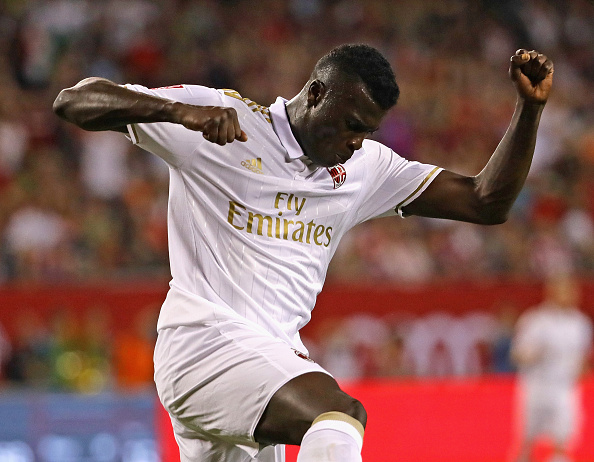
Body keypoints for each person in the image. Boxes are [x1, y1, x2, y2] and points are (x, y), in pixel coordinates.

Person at [53, 44, 553, 462]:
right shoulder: (224, 121)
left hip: (268, 364)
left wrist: (529, 110)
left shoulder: (364, 168)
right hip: (203, 344)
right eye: (351, 123)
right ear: (316, 93)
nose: (356, 142)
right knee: (339, 416)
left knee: (327, 422)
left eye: (367, 131)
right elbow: (73, 101)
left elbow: (486, 202)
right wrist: (172, 111)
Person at [511, 275, 592, 462]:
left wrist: (582, 370)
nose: (570, 296)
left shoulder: (580, 323)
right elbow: (517, 354)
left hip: (564, 388)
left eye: (573, 292)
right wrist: (533, 354)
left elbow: (582, 358)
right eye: (565, 291)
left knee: (563, 437)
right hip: (537, 386)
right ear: (552, 293)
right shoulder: (536, 320)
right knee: (528, 437)